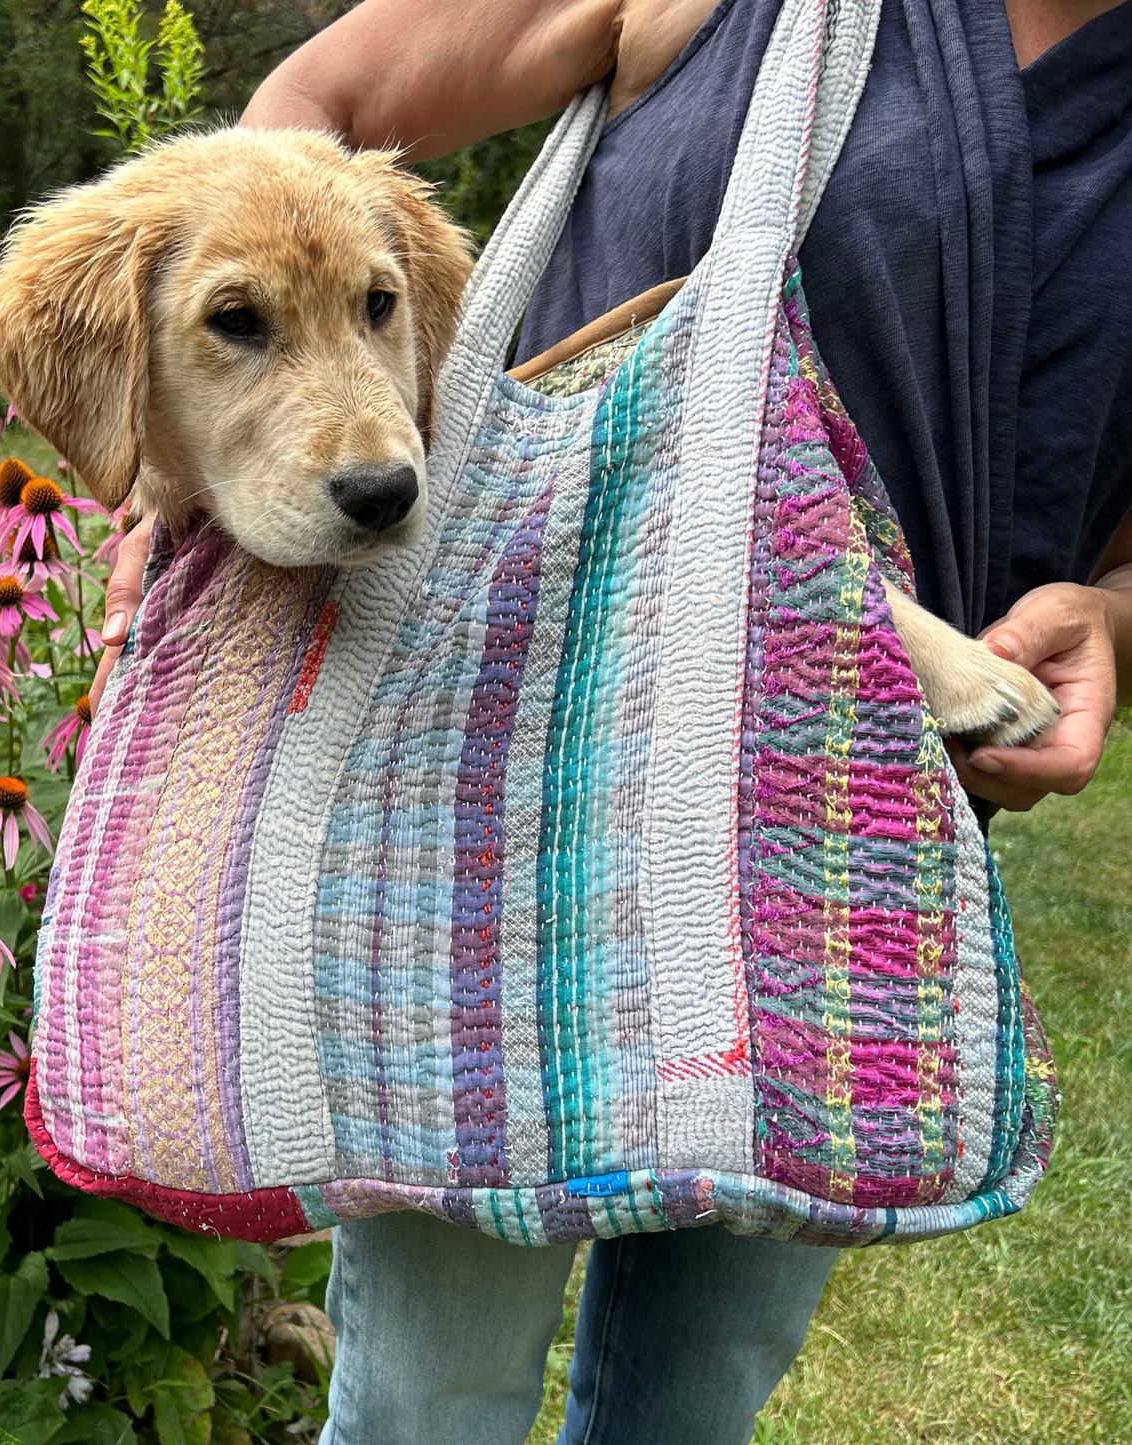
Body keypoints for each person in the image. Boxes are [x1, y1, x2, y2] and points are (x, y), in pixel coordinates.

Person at [89, 0, 1132, 1439]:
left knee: (691, 1406)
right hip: (505, 779)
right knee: (427, 1403)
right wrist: (206, 437)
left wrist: (1115, 619)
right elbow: (315, 112)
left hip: (852, 811)